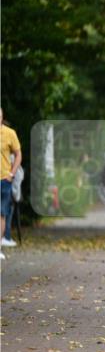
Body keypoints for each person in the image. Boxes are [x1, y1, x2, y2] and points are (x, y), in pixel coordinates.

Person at [1, 108, 22, 257]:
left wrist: (11, 174)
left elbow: (18, 154)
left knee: (1, 214)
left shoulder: (9, 133)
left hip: (3, 179)